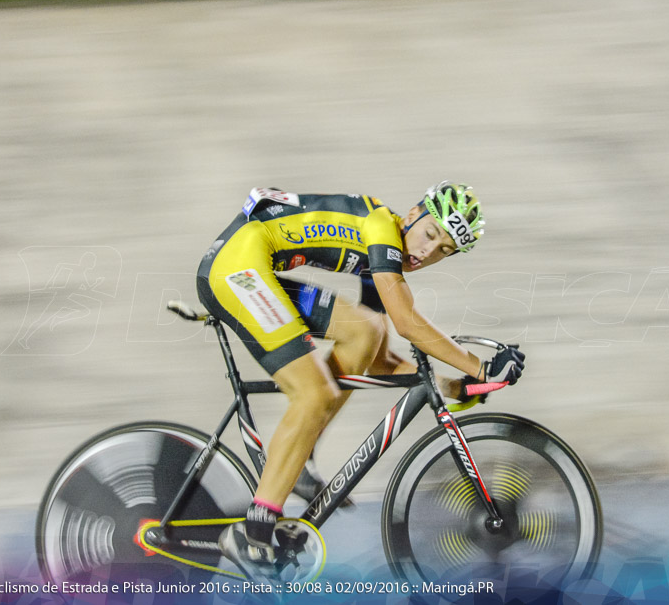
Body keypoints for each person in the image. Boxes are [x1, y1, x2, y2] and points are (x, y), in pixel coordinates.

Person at [195, 182, 525, 575]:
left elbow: (378, 359)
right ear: (414, 214)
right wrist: (479, 367)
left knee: (365, 332)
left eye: (444, 251)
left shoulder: (381, 257)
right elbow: (408, 323)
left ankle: (298, 460)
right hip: (238, 268)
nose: (426, 252)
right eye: (430, 234)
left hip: (253, 263)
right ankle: (252, 535)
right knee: (313, 394)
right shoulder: (382, 231)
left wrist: (454, 388)